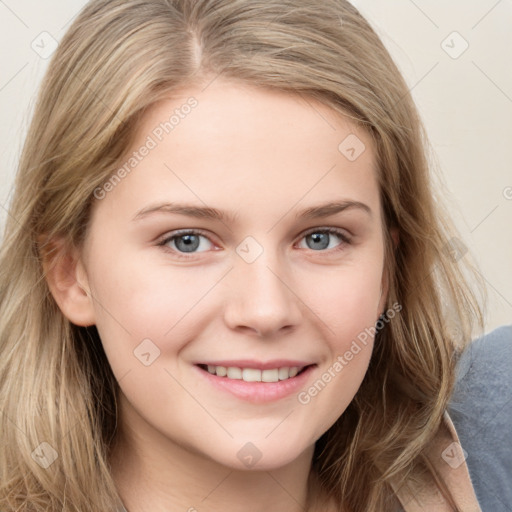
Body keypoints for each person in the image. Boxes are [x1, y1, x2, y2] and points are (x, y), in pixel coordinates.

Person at [0, 0, 507, 510]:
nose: (266, 310)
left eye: (321, 238)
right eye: (187, 241)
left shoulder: (490, 438)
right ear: (70, 274)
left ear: (387, 271)